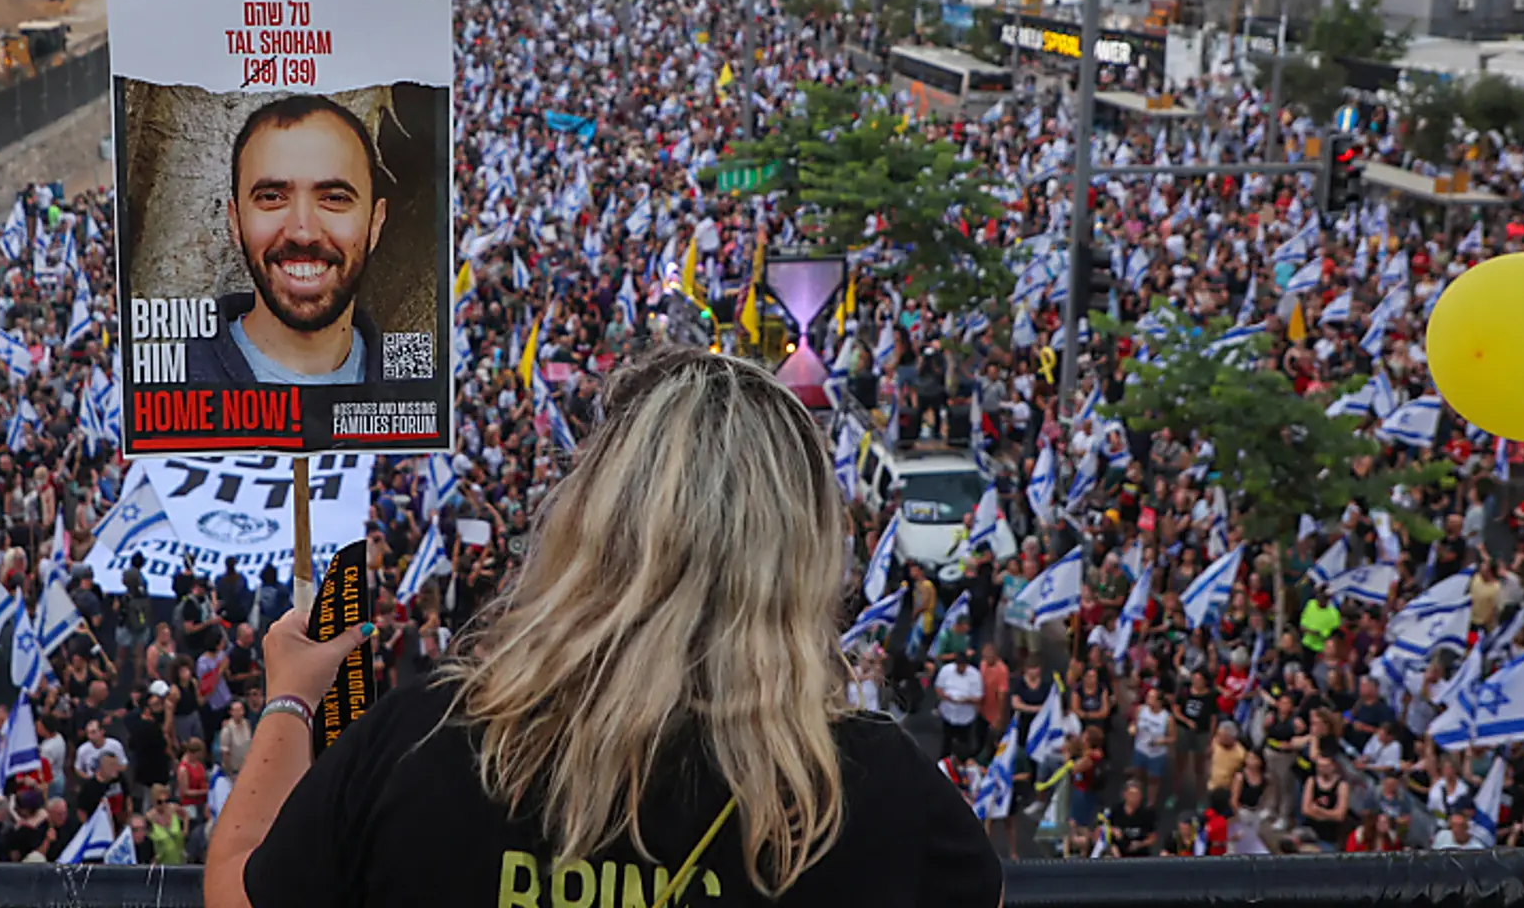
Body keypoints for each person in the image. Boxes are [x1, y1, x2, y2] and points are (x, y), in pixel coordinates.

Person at [205, 349, 1002, 907]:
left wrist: (290, 703)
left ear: (586, 523)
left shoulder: (424, 739)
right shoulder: (875, 792)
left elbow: (239, 890)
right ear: (803, 554)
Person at [186, 95, 392, 384]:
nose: (303, 232)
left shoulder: (418, 384)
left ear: (375, 222)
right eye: (272, 198)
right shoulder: (172, 381)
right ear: (235, 222)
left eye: (334, 198)